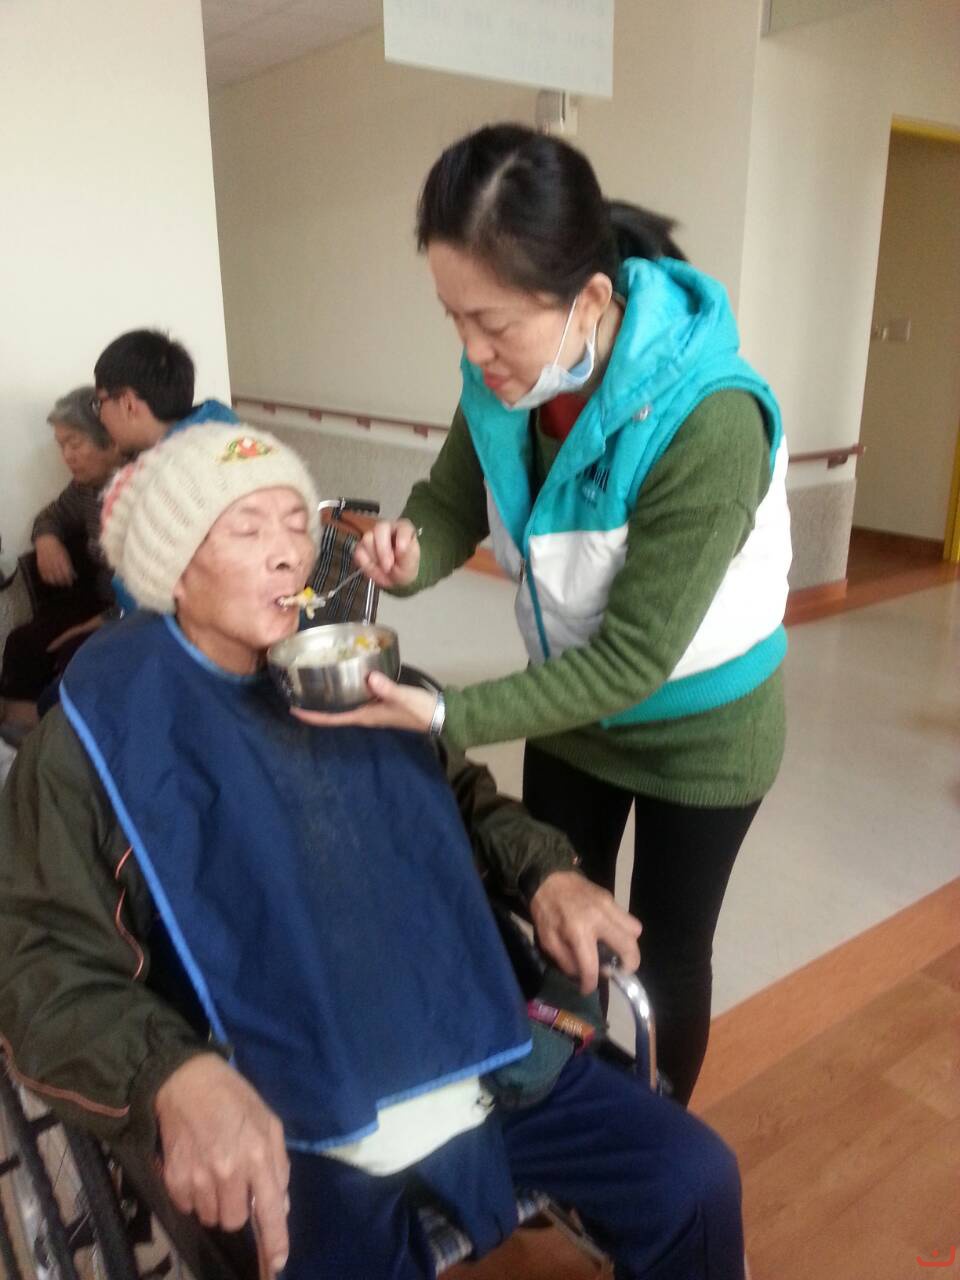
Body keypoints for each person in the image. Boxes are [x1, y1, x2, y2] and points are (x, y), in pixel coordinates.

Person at [0, 424, 746, 1280]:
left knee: (695, 1181)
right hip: (276, 1089)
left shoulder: (346, 667)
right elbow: (37, 957)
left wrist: (549, 872)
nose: (289, 553)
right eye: (247, 530)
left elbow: (463, 797)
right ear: (174, 568)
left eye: (296, 522)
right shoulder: (96, 737)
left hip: (462, 1030)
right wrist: (169, 1075)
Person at [297, 124, 793, 1106]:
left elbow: (634, 660)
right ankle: (571, 1107)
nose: (472, 352)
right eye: (454, 319)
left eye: (492, 323)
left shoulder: (709, 420)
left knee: (663, 947)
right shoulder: (505, 383)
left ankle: (648, 1135)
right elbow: (449, 500)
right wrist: (411, 548)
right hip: (575, 710)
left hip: (703, 733)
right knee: (563, 919)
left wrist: (446, 714)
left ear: (590, 301)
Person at [0, 386, 120, 738]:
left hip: (130, 611)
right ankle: (18, 737)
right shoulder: (85, 488)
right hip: (98, 597)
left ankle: (52, 744)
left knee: (73, 653)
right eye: (61, 445)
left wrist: (102, 621)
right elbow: (50, 517)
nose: (67, 456)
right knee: (24, 642)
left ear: (110, 441)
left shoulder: (137, 487)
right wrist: (47, 540)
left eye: (75, 443)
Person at [93, 327, 238, 457]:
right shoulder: (232, 441)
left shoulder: (175, 471)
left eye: (99, 403)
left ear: (128, 404)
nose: (100, 418)